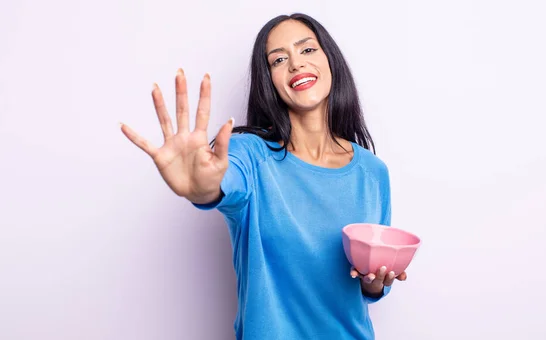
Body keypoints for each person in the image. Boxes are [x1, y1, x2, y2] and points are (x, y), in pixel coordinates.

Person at [120, 12, 407, 340]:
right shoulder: (248, 155)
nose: (296, 64)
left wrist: (373, 283)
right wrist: (201, 189)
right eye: (279, 59)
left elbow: (369, 281)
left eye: (308, 50)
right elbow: (219, 185)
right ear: (268, 80)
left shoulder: (372, 173)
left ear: (331, 61)